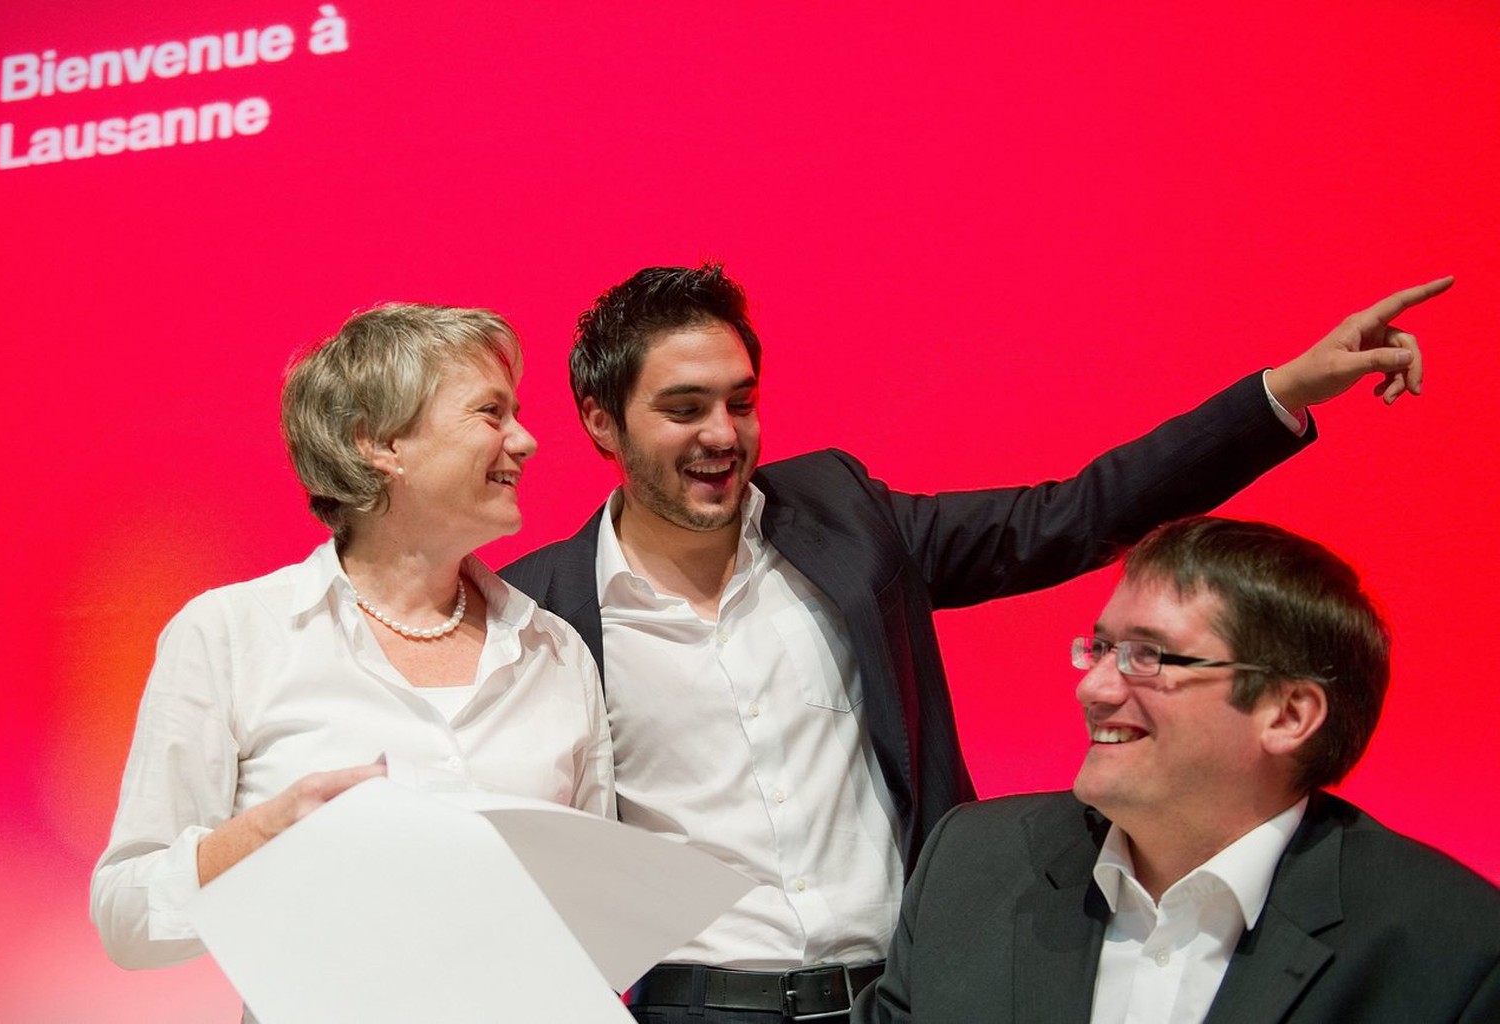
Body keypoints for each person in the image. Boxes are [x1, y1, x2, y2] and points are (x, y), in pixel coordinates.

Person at [500, 263, 1451, 1023]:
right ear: (599, 422)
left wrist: (1279, 392)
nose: (723, 434)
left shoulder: (846, 518)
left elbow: (1075, 517)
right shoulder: (540, 609)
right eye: (684, 408)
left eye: (740, 402)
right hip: (699, 1007)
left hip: (914, 990)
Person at [92, 305, 614, 994]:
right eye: (491, 413)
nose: (526, 440)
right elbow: (126, 917)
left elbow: (600, 919)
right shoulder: (231, 634)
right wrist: (268, 834)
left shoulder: (555, 650)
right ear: (380, 442)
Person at [852, 516, 1500, 1022]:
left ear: (1287, 712)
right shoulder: (971, 863)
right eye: (1102, 648)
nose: (1094, 689)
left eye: (1147, 656)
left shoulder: (1451, 947)